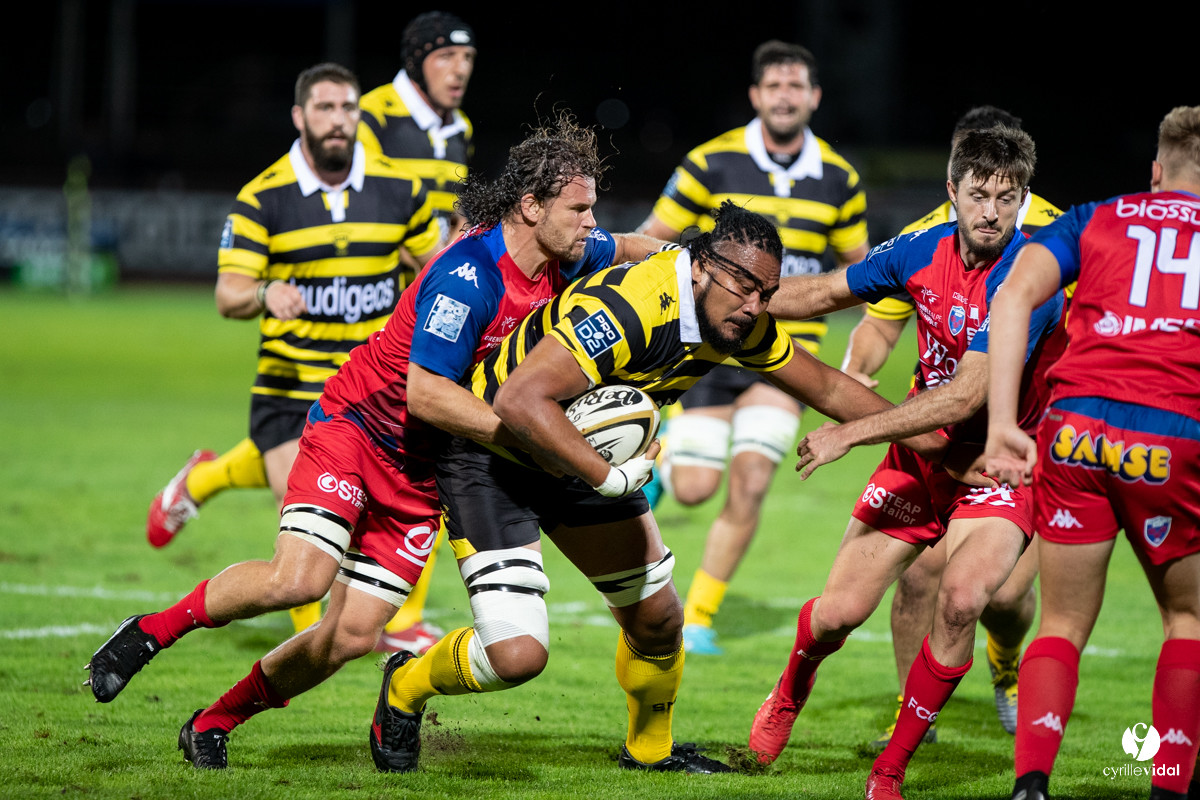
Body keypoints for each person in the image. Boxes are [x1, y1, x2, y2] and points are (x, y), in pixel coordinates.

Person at [85, 112, 663, 770]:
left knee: (352, 636)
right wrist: (533, 442)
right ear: (531, 207)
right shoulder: (469, 276)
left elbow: (632, 249)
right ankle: (151, 633)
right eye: (580, 209)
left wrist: (683, 266)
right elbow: (426, 394)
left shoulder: (569, 251)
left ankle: (213, 721)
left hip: (422, 476)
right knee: (298, 581)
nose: (593, 222)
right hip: (358, 433)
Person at [370, 201, 956, 776]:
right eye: (743, 287)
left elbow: (826, 387)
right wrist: (607, 477)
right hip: (495, 459)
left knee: (657, 619)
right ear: (701, 269)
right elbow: (519, 400)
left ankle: (650, 751)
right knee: (518, 656)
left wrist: (943, 448)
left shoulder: (736, 321)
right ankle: (405, 684)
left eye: (766, 294)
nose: (754, 307)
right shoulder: (632, 307)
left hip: (578, 454)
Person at [745, 126, 1065, 800]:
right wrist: (743, 300)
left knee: (962, 599)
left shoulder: (1032, 275)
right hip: (922, 460)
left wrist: (849, 432)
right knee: (837, 615)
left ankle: (889, 769)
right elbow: (829, 292)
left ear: (1023, 200)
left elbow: (967, 394)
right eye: (978, 195)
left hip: (997, 466)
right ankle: (790, 688)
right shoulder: (920, 250)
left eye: (1007, 199)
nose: (990, 213)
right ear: (952, 192)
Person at [143, 63, 440, 640]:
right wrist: (263, 292)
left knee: (383, 497)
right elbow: (228, 294)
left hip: (369, 384)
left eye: (348, 108)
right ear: (300, 117)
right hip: (290, 384)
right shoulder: (264, 197)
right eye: (325, 109)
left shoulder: (399, 188)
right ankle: (315, 638)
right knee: (308, 503)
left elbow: (436, 261)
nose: (338, 120)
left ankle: (205, 479)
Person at [985, 105, 1200, 800]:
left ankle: (1031, 785)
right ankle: (1168, 785)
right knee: (1189, 619)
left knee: (1064, 621)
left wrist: (999, 422)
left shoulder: (1096, 216)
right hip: (1171, 435)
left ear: (1155, 171)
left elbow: (1013, 293)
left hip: (1074, 428)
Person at [841, 106, 1064, 748]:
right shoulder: (926, 236)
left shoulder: (1051, 231)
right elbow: (881, 321)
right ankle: (918, 722)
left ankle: (1006, 661)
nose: (985, 204)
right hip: (942, 440)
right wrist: (853, 378)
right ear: (955, 181)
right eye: (971, 184)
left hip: (1023, 439)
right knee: (916, 577)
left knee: (1000, 597)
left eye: (999, 188)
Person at [638, 40, 869, 656]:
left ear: (814, 97)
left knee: (751, 481)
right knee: (693, 489)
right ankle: (662, 474)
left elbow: (861, 274)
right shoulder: (710, 163)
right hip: (710, 353)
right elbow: (651, 240)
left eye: (797, 86)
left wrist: (862, 356)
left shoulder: (839, 180)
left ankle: (702, 615)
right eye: (775, 86)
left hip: (783, 360)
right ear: (756, 96)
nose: (786, 96)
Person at [357, 10, 478, 655]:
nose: (460, 71)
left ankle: (400, 616)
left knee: (417, 447)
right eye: (446, 59)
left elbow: (460, 213)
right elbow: (366, 205)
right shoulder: (372, 116)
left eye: (467, 60)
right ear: (417, 59)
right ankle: (204, 481)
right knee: (328, 431)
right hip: (365, 300)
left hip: (423, 307)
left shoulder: (458, 128)